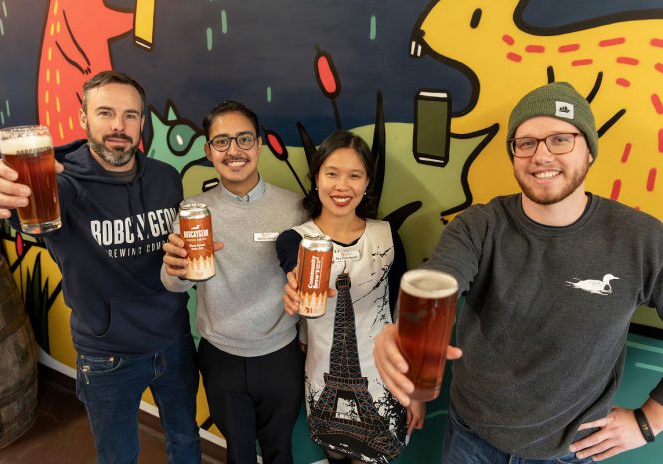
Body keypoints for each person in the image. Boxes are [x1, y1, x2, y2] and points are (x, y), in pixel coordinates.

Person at [373, 82, 663, 463]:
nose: (540, 155)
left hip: (570, 450)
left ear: (589, 150)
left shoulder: (639, 238)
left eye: (560, 139)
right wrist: (400, 332)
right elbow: (440, 278)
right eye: (525, 143)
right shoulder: (479, 224)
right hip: (470, 437)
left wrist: (649, 421)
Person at [0, 71, 201, 464]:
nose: (119, 126)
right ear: (83, 119)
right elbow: (23, 205)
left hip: (174, 342)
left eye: (131, 115)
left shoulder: (166, 179)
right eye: (105, 113)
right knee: (118, 456)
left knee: (185, 441)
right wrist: (6, 190)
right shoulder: (58, 184)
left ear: (142, 122)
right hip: (107, 357)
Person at [160, 100, 306, 464]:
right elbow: (174, 284)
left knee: (279, 450)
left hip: (281, 353)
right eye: (221, 141)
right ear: (209, 151)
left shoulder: (295, 208)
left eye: (244, 139)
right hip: (220, 354)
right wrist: (176, 269)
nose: (234, 150)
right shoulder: (193, 210)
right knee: (238, 455)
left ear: (259, 145)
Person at [276, 131, 425, 464]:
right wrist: (295, 293)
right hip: (322, 374)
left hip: (386, 378)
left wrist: (414, 390)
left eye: (354, 175)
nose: (342, 186)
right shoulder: (295, 240)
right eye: (331, 173)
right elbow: (294, 274)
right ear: (315, 178)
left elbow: (406, 315)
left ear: (367, 182)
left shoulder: (386, 235)